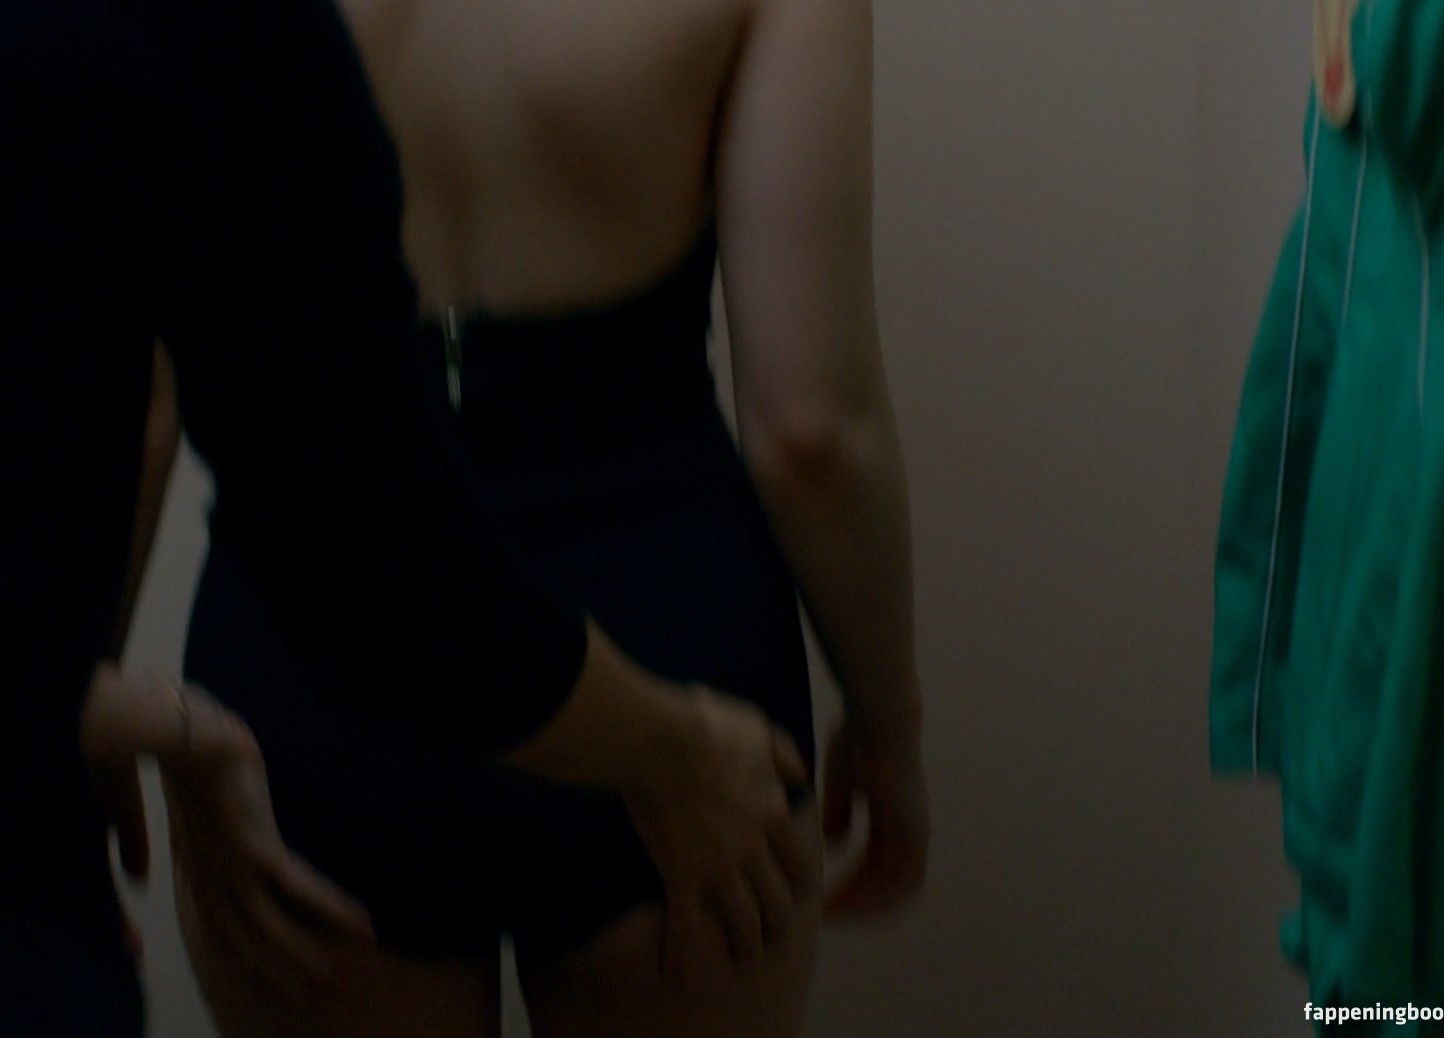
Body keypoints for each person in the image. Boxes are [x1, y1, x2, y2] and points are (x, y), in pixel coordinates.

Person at [0, 0, 806, 1032]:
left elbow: (134, 416)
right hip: (648, 609)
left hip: (292, 719)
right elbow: (811, 430)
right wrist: (733, 746)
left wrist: (112, 695)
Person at [173, 0, 929, 1033]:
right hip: (668, 647)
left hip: (319, 657)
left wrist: (57, 723)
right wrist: (887, 727)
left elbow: (129, 399)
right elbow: (812, 435)